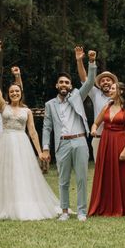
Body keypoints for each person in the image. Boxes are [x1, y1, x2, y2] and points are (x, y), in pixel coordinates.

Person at [0, 58, 59, 220]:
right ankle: (7, 204)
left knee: (22, 172)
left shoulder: (27, 111)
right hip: (6, 142)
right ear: (8, 94)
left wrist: (40, 152)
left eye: (17, 91)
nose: (14, 93)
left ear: (21, 93)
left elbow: (32, 132)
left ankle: (24, 203)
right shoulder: (4, 106)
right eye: (11, 92)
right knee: (7, 172)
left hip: (22, 142)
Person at [42, 47, 97, 221]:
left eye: (67, 82)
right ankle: (65, 211)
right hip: (62, 144)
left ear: (71, 86)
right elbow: (47, 127)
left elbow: (88, 83)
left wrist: (88, 62)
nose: (64, 85)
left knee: (82, 178)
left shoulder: (77, 97)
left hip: (80, 141)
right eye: (61, 82)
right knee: (63, 180)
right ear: (57, 86)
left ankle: (81, 212)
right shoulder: (50, 104)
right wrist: (45, 148)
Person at [88, 81, 125, 217]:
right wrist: (93, 130)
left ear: (120, 91)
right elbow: (96, 123)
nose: (110, 90)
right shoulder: (106, 107)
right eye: (110, 89)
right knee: (106, 172)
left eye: (113, 88)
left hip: (120, 142)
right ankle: (104, 205)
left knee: (121, 174)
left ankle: (123, 207)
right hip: (106, 141)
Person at [76, 49, 117, 162]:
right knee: (100, 172)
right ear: (99, 84)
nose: (105, 82)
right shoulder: (95, 93)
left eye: (108, 80)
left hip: (116, 139)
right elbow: (85, 80)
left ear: (113, 83)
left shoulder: (120, 98)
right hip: (98, 138)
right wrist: (80, 61)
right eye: (102, 81)